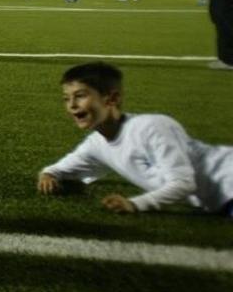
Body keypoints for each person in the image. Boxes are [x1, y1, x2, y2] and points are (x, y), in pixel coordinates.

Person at [38, 62, 232, 216]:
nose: (71, 105)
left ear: (112, 99)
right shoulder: (96, 144)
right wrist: (48, 176)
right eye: (66, 98)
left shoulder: (151, 127)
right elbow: (58, 170)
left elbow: (183, 183)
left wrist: (134, 204)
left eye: (80, 96)